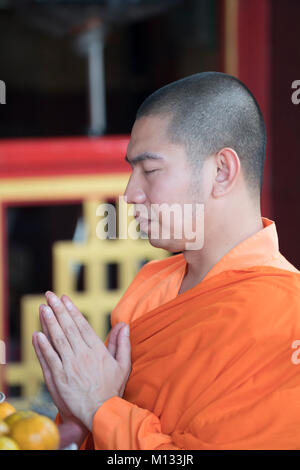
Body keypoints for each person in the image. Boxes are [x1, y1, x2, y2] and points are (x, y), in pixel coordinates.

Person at [32, 72, 300, 450]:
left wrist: (101, 407)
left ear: (221, 171)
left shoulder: (288, 316)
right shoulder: (154, 283)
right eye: (131, 171)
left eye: (150, 171)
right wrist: (79, 414)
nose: (129, 194)